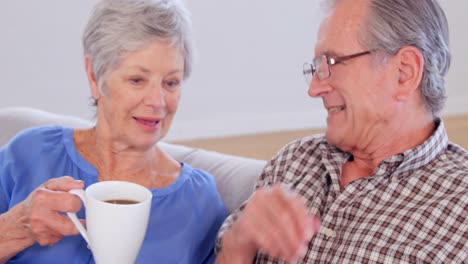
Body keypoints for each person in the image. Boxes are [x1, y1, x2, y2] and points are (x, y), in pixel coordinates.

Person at [215, 0, 468, 263]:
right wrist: (239, 242)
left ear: (404, 72)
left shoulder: (460, 206)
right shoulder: (294, 161)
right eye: (316, 67)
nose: (314, 88)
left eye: (331, 63)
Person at [0, 0, 227, 263]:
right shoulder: (29, 154)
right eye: (137, 80)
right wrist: (16, 229)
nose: (158, 101)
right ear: (94, 77)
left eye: (171, 82)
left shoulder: (199, 201)